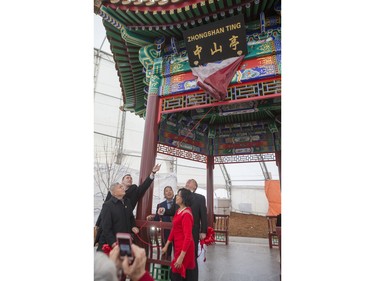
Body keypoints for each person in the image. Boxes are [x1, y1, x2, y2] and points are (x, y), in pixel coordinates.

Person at [95, 164, 161, 246]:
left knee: (123, 252)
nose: (130, 179)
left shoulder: (134, 191)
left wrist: (153, 173)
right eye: (127, 178)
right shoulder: (112, 192)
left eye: (131, 178)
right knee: (105, 247)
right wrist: (97, 224)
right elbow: (104, 208)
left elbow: (144, 186)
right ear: (122, 181)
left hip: (123, 225)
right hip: (110, 223)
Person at [158, 179, 208, 281]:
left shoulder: (200, 198)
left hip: (192, 233)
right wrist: (163, 211)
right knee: (178, 256)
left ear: (195, 187)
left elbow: (203, 215)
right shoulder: (179, 198)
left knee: (190, 259)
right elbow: (172, 211)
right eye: (187, 181)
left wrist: (203, 231)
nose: (188, 182)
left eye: (191, 181)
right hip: (179, 236)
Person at [162, 188, 195, 281]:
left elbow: (188, 237)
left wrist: (181, 257)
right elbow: (174, 230)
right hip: (178, 246)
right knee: (176, 275)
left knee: (177, 275)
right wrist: (167, 245)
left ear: (184, 198)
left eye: (179, 195)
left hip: (184, 249)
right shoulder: (179, 211)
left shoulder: (186, 214)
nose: (176, 196)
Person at [97, 182, 139, 252]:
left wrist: (133, 226)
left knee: (124, 261)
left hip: (125, 240)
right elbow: (106, 227)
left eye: (122, 187)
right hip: (110, 243)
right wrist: (112, 242)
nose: (123, 188)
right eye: (120, 187)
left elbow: (131, 217)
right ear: (114, 193)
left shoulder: (127, 202)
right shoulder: (107, 205)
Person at [147, 185, 174, 257]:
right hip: (165, 232)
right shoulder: (160, 205)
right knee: (165, 253)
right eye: (166, 191)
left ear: (173, 192)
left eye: (170, 190)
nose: (169, 192)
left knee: (178, 252)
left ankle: (176, 268)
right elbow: (157, 219)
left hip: (177, 231)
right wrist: (152, 218)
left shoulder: (178, 203)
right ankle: (164, 267)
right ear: (164, 194)